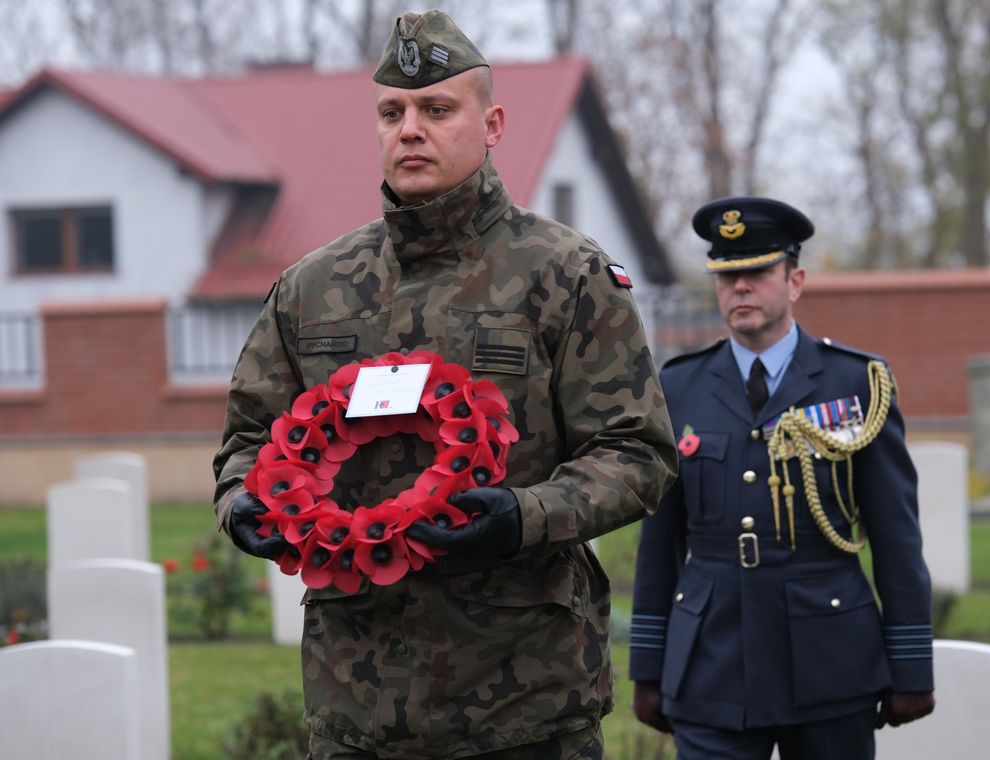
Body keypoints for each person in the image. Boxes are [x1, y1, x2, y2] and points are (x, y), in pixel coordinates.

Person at [212, 10, 677, 759]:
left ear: (491, 123)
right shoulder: (314, 287)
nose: (410, 131)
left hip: (522, 699)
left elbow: (636, 453)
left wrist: (524, 516)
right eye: (392, 113)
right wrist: (243, 500)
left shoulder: (564, 275)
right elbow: (248, 439)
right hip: (358, 699)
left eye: (436, 110)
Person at [629, 196, 935, 759]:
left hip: (829, 658)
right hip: (711, 661)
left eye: (757, 272)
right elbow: (660, 540)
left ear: (794, 281)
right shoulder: (679, 387)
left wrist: (912, 660)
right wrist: (649, 664)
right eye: (726, 276)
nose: (739, 288)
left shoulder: (856, 383)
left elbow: (895, 534)